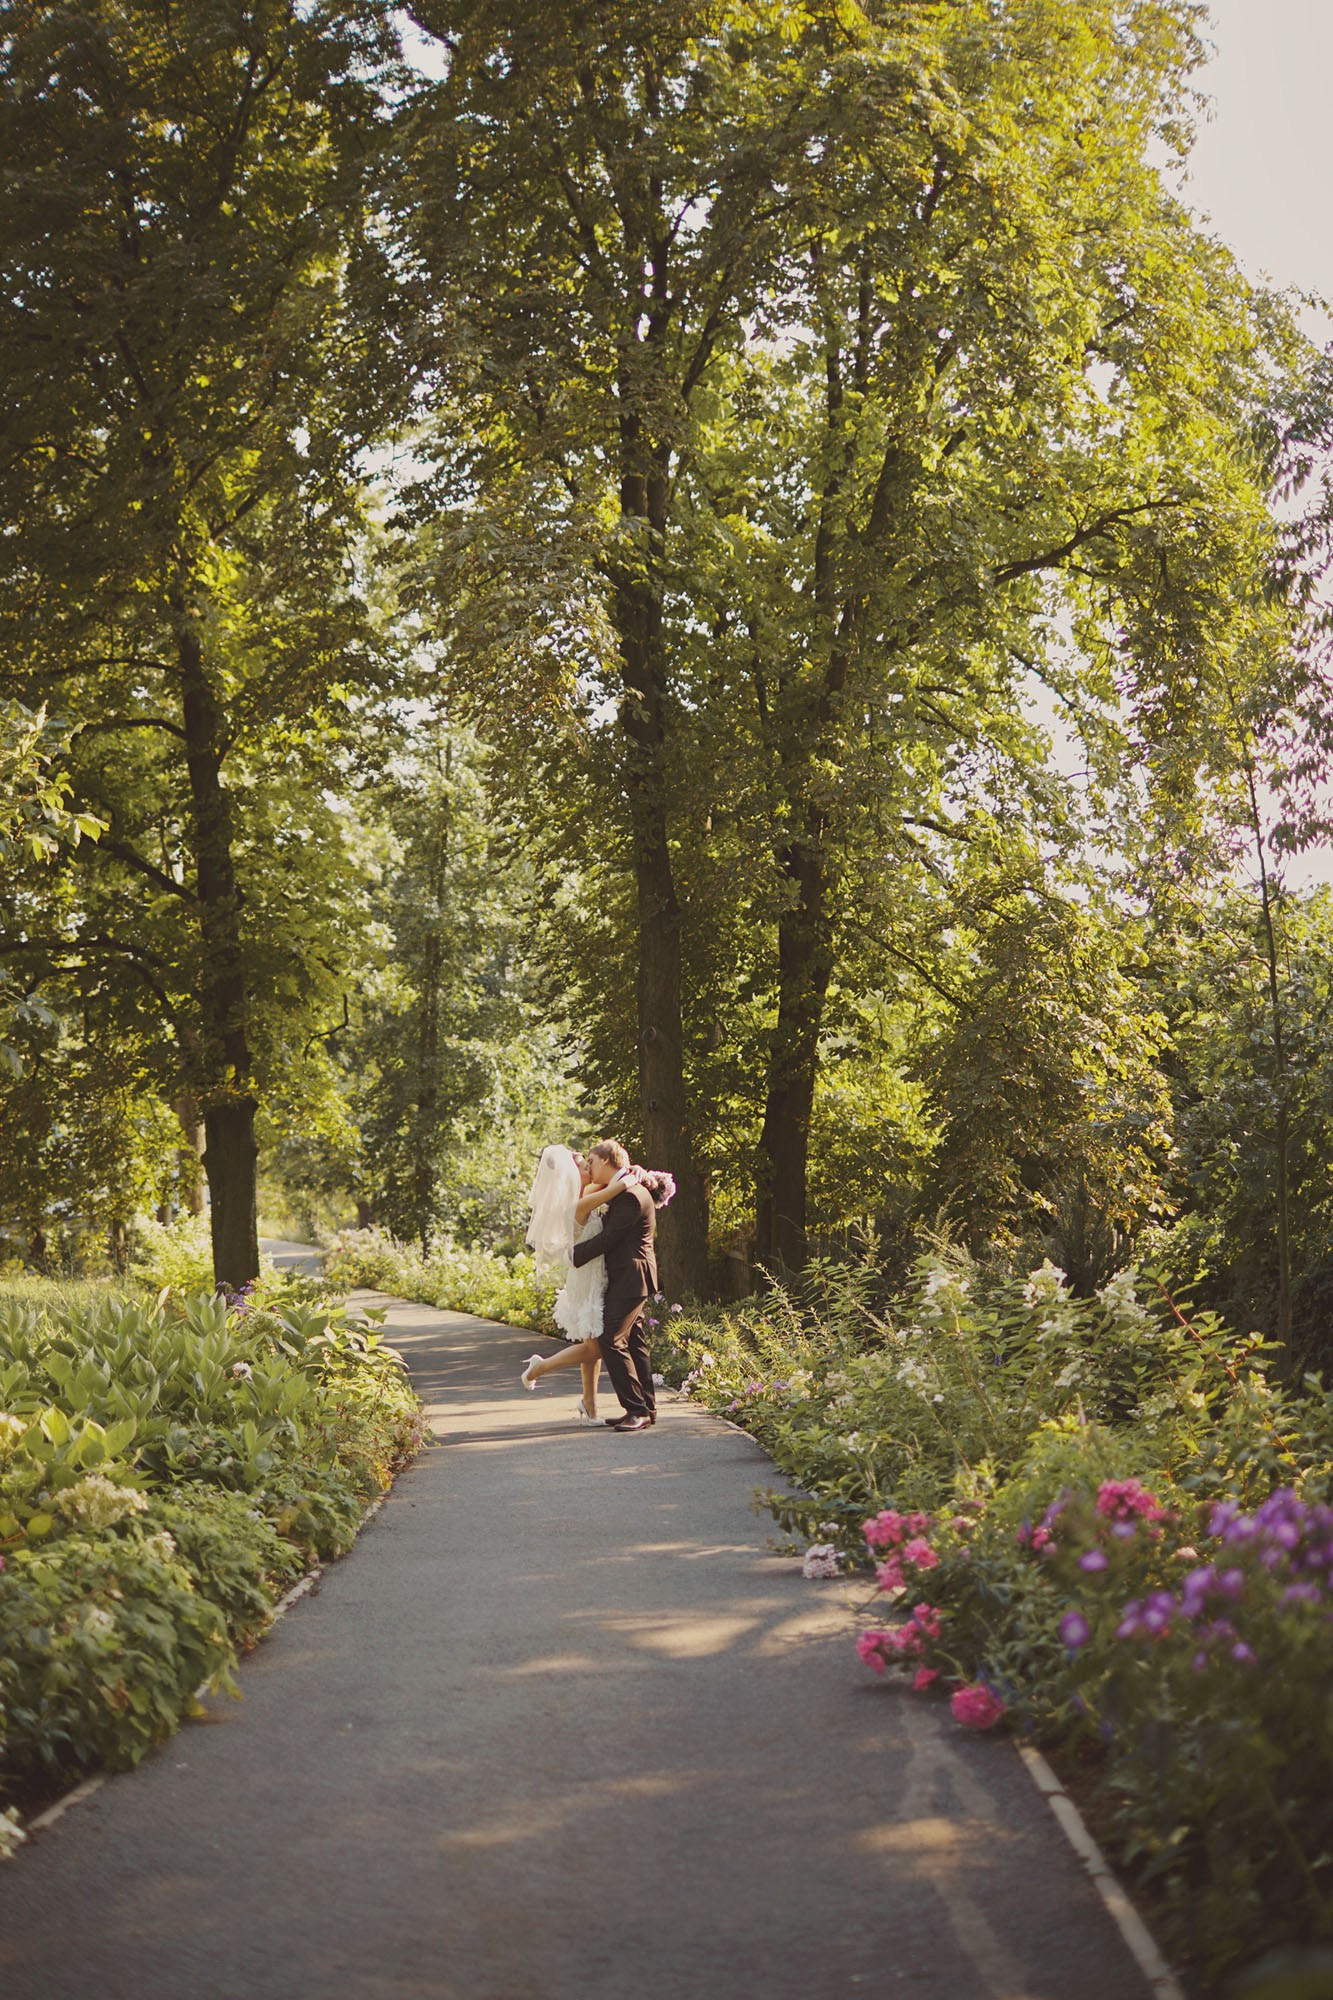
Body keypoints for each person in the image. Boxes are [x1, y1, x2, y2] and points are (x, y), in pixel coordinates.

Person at [520, 1144, 624, 1420]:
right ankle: (539, 1367)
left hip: (590, 1275)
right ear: (571, 1175)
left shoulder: (586, 1195)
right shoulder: (578, 1204)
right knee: (595, 1347)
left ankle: (590, 1406)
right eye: (583, 1165)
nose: (589, 1167)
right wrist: (631, 1175)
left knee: (592, 1345)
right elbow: (617, 1188)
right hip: (587, 1279)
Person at [569, 1139, 659, 1433]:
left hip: (632, 1277)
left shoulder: (632, 1195)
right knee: (634, 1341)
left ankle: (636, 1409)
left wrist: (574, 1255)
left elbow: (610, 1240)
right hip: (627, 1277)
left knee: (610, 1338)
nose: (590, 1168)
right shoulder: (623, 1191)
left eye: (592, 1162)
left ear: (607, 1161)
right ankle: (646, 1408)